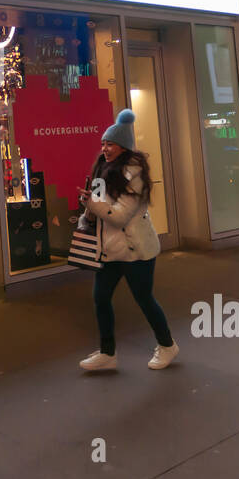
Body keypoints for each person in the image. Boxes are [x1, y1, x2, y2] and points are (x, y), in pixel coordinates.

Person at [76, 109, 176, 373]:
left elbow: (119, 216)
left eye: (110, 144)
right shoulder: (101, 168)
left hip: (136, 251)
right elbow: (97, 206)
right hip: (109, 250)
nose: (105, 148)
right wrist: (86, 207)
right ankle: (108, 353)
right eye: (103, 143)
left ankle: (167, 345)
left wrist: (93, 205)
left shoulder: (136, 175)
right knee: (100, 298)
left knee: (144, 299)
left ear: (123, 146)